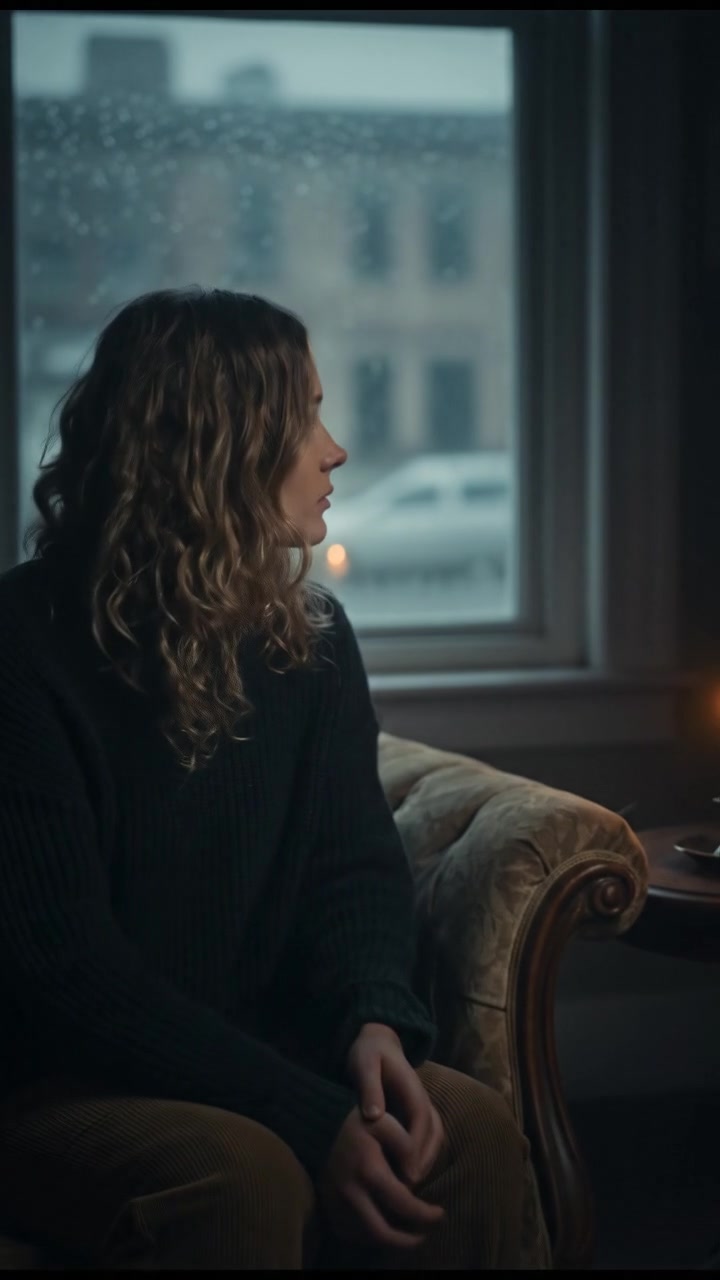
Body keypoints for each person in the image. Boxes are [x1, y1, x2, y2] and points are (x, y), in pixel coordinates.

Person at [0, 288, 544, 1270]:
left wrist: (374, 1018)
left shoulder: (315, 641)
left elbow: (355, 869)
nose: (334, 450)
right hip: (62, 1078)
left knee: (466, 1132)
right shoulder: (23, 647)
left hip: (272, 1041)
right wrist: (306, 1114)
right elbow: (64, 969)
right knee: (244, 1176)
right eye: (306, 419)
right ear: (218, 445)